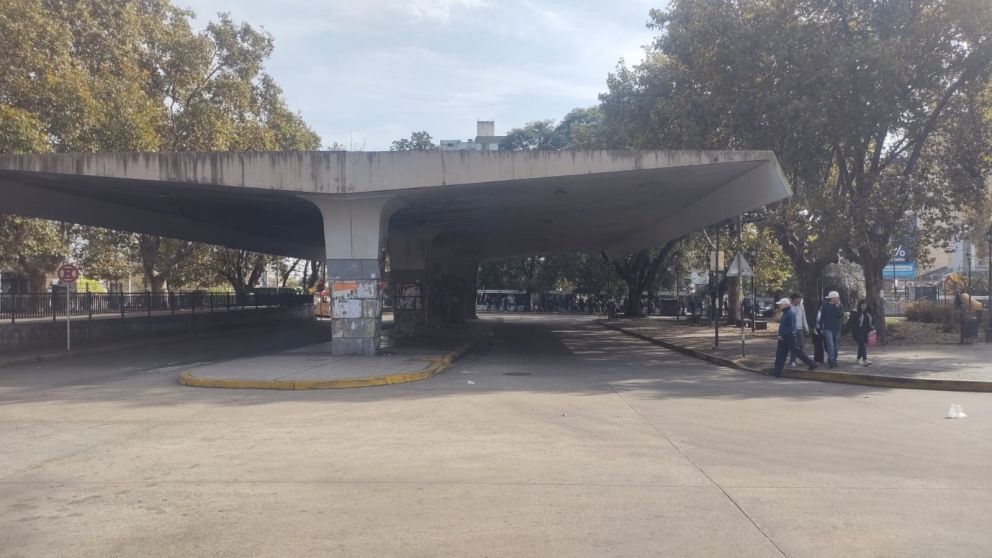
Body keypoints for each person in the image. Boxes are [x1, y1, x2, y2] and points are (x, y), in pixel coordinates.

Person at [773, 298, 818, 377]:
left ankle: (812, 363)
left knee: (792, 352)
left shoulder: (789, 313)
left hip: (787, 337)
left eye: (781, 304)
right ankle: (776, 371)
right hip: (786, 336)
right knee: (782, 353)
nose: (779, 306)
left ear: (785, 305)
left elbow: (789, 327)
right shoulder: (787, 313)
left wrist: (783, 335)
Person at [817, 291, 844, 368]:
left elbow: (840, 315)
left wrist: (837, 307)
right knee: (830, 345)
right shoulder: (826, 306)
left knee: (836, 345)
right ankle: (831, 361)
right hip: (828, 328)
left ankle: (833, 359)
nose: (838, 299)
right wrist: (821, 327)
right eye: (837, 297)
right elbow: (822, 317)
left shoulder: (839, 306)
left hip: (837, 328)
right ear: (832, 298)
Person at [847, 299, 875, 366]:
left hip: (865, 332)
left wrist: (872, 327)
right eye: (863, 305)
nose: (864, 307)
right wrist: (847, 331)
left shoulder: (868, 313)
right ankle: (865, 360)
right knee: (862, 344)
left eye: (865, 305)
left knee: (861, 345)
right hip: (856, 331)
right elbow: (850, 322)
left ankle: (858, 359)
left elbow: (872, 321)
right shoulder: (855, 312)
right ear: (860, 305)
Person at [788, 293, 810, 368]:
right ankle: (792, 360)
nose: (800, 300)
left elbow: (804, 317)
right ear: (795, 299)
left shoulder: (801, 306)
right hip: (792, 328)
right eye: (799, 298)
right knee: (793, 345)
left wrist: (806, 327)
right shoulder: (789, 307)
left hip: (800, 328)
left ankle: (798, 357)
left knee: (801, 344)